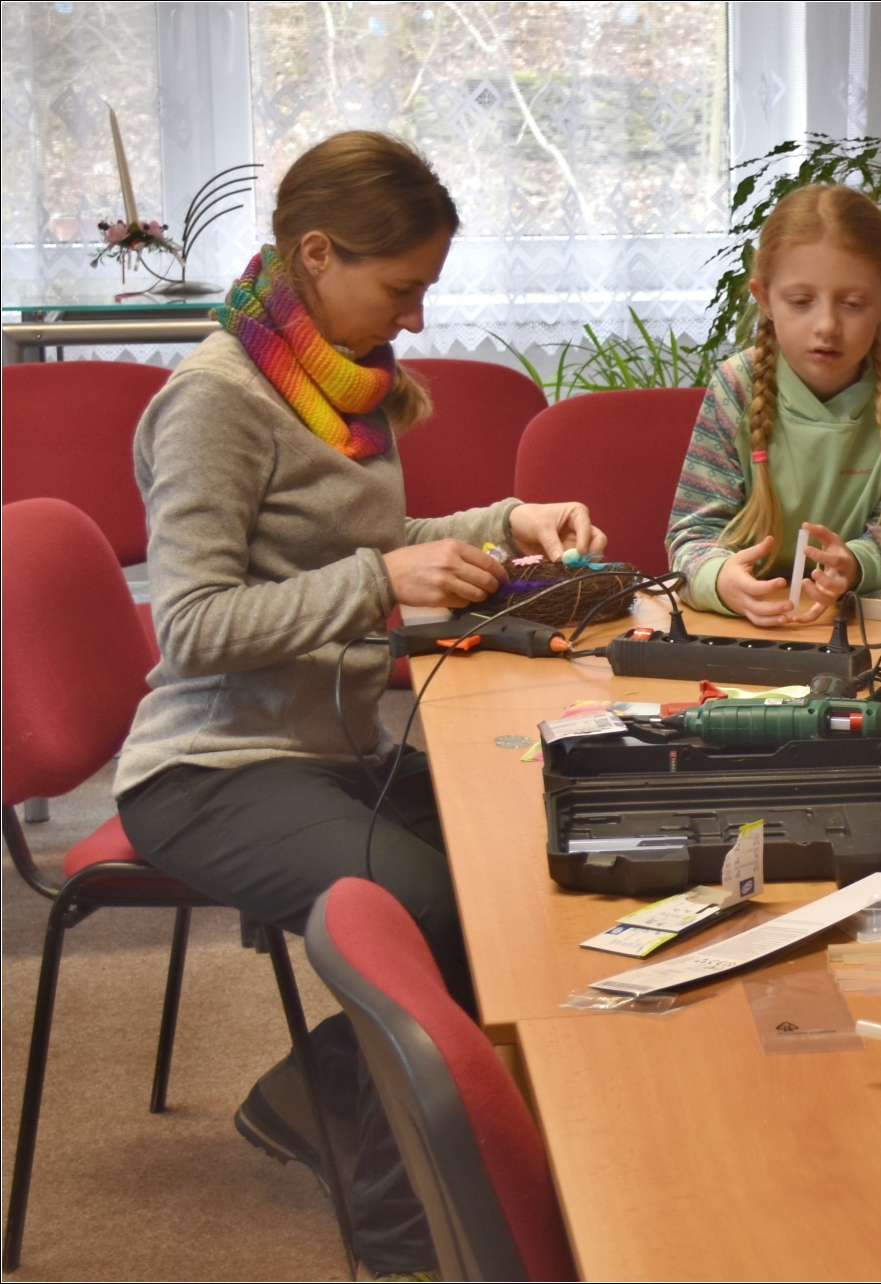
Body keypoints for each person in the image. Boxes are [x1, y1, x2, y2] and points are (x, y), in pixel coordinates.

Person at [115, 131, 604, 1275]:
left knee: (526, 847)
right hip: (207, 771)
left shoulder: (335, 379)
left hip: (319, 751)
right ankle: (404, 1233)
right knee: (428, 907)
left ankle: (315, 1090)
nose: (417, 318)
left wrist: (505, 521)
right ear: (318, 254)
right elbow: (192, 627)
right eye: (402, 288)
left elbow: (368, 542)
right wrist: (380, 583)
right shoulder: (214, 403)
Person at [667, 183, 881, 625]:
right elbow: (690, 537)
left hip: (856, 624)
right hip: (744, 624)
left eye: (853, 304)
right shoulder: (736, 387)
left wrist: (854, 566)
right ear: (764, 299)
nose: (827, 326)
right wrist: (720, 580)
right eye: (801, 302)